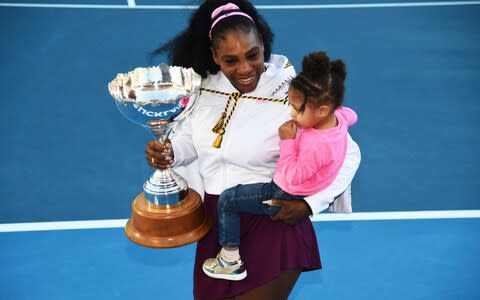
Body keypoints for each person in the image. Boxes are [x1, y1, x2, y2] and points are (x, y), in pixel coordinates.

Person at [145, 1, 361, 299]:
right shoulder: (201, 88)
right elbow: (189, 143)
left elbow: (347, 153)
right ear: (214, 56)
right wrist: (170, 153)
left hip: (272, 221)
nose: (245, 68)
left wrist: (310, 205)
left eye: (252, 55)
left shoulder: (295, 93)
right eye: (231, 60)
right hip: (218, 228)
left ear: (263, 44)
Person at [201, 51, 357, 282]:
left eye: (297, 109)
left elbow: (292, 175)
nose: (291, 114)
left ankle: (230, 260)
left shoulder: (315, 144)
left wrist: (287, 141)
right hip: (304, 185)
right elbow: (350, 115)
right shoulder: (339, 119)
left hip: (283, 193)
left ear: (323, 110)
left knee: (228, 200)